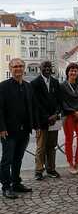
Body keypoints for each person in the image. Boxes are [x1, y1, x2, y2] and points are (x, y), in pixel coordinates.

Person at [0, 58, 40, 199]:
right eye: (15, 66)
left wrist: (36, 125)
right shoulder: (3, 86)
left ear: (24, 69)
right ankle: (6, 186)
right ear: (10, 69)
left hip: (24, 130)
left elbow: (33, 107)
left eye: (20, 66)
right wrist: (1, 128)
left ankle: (16, 183)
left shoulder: (28, 86)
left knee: (18, 158)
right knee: (7, 159)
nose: (18, 69)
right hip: (8, 131)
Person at [31, 61, 61, 181]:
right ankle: (38, 170)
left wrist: (55, 115)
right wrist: (46, 117)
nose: (47, 69)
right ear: (40, 68)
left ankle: (51, 169)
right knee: (41, 147)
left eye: (49, 67)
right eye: (45, 67)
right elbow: (35, 104)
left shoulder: (55, 82)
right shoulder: (34, 83)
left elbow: (59, 100)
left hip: (54, 120)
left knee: (52, 146)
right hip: (41, 120)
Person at [60, 63, 78, 174]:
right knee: (69, 140)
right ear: (67, 72)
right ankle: (70, 164)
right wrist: (73, 112)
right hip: (68, 116)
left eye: (75, 71)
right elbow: (62, 102)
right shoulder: (62, 85)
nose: (73, 73)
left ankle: (77, 162)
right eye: (71, 71)